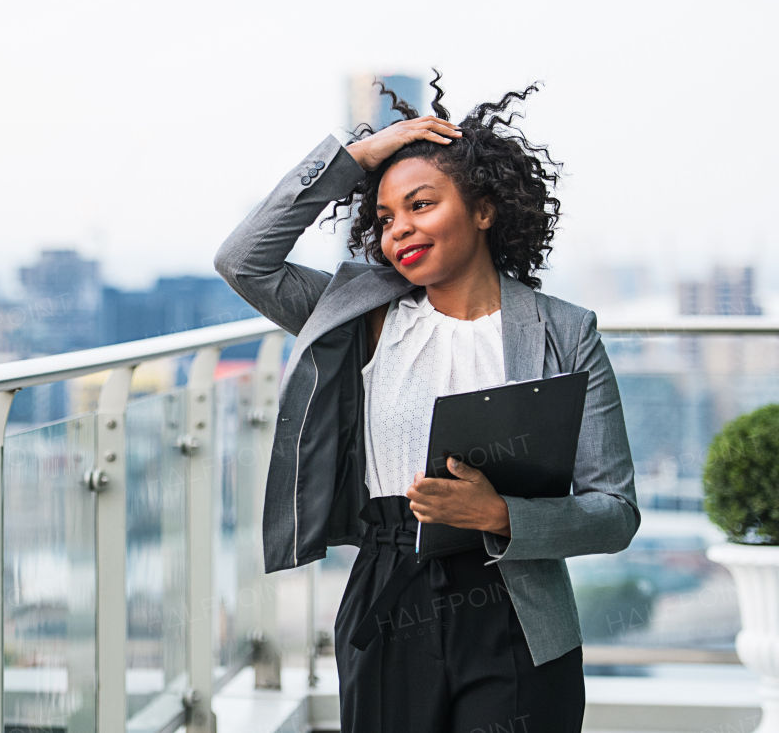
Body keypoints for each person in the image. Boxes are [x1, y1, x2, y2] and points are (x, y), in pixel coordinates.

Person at [213, 73, 638, 733]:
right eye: (385, 218)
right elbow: (244, 261)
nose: (399, 230)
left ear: (484, 210)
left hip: (516, 610)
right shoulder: (361, 317)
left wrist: (500, 514)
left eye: (421, 205)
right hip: (390, 596)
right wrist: (357, 156)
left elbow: (615, 512)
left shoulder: (564, 331)